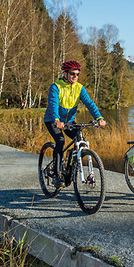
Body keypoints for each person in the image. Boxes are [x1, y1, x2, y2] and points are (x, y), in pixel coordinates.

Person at [44, 60, 106, 188]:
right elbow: (53, 105)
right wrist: (56, 120)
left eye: (77, 74)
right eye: (72, 74)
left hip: (69, 121)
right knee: (60, 141)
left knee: (81, 140)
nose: (75, 77)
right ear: (65, 74)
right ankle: (56, 175)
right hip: (53, 120)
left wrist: (99, 118)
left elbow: (89, 104)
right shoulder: (56, 87)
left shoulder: (79, 88)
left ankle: (68, 166)